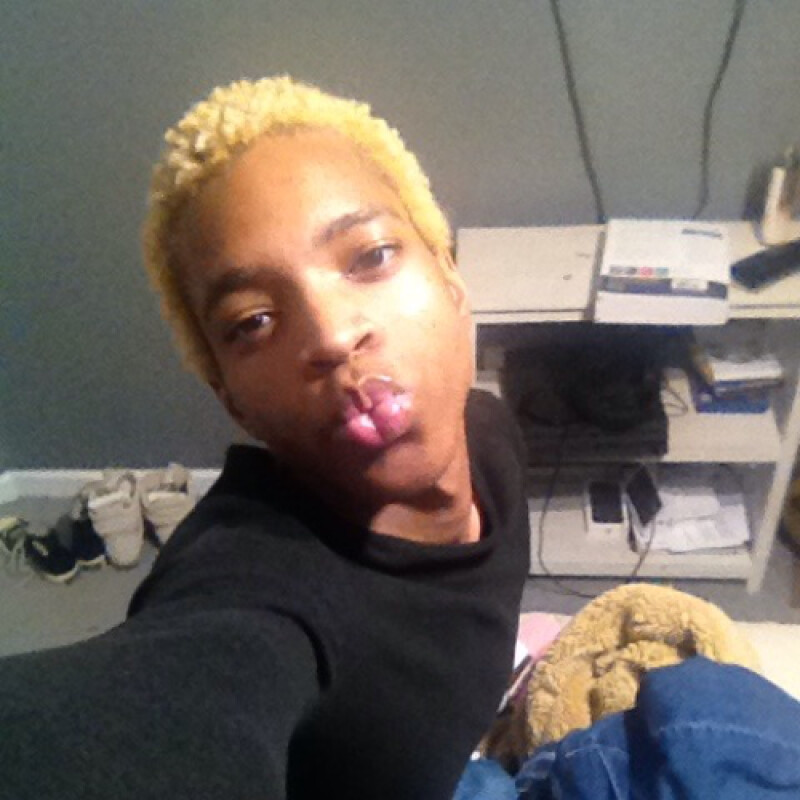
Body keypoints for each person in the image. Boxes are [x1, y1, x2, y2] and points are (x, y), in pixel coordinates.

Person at [0, 77, 530, 799]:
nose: (332, 336)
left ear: (451, 278)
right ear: (233, 401)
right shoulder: (259, 591)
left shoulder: (490, 433)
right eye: (254, 321)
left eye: (371, 256)